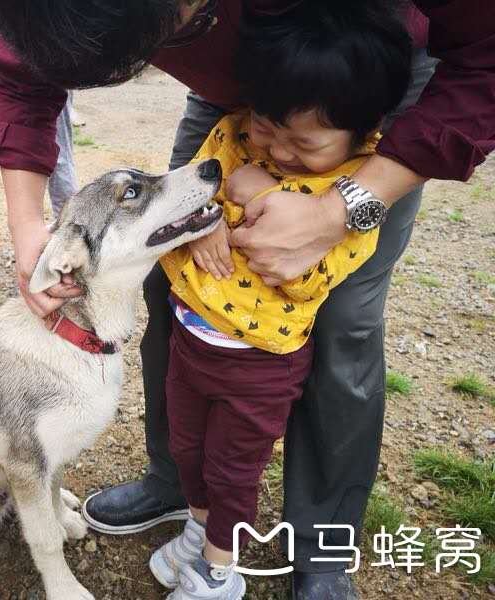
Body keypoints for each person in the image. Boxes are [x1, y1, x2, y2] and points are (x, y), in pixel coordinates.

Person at [0, 0, 495, 596]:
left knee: (345, 319)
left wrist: (341, 208)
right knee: (170, 275)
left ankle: (321, 543)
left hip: (359, 86)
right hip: (236, 107)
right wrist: (27, 230)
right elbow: (25, 69)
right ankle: (179, 482)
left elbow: (488, 53)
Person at [146, 3, 412, 597]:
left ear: (359, 132)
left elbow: (307, 281)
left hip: (259, 363)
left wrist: (275, 192)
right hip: (192, 340)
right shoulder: (236, 131)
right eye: (267, 128)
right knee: (189, 449)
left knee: (232, 469)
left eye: (304, 143)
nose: (278, 150)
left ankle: (219, 571)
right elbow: (189, 188)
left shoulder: (355, 188)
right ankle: (195, 528)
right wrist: (206, 215)